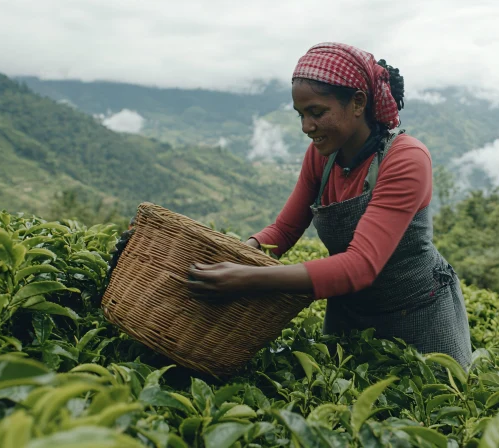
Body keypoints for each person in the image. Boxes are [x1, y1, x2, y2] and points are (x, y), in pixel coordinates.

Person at [187, 42, 472, 368]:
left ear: (358, 102)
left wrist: (248, 278)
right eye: (301, 114)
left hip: (419, 318)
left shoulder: (405, 159)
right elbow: (284, 230)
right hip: (348, 315)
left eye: (317, 112)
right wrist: (237, 256)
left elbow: (360, 266)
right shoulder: (322, 157)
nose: (306, 127)